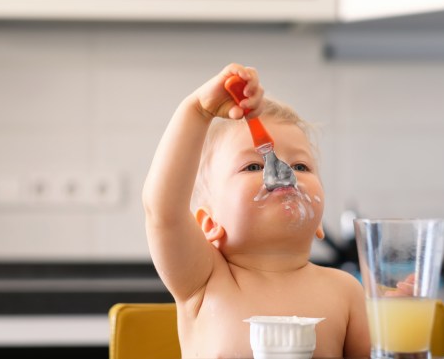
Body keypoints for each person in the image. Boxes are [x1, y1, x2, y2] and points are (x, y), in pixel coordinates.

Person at [142, 63, 370, 358]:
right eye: (253, 166)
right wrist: (198, 111)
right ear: (209, 223)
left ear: (319, 225)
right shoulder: (204, 279)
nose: (284, 172)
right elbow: (163, 211)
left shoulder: (346, 291)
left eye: (301, 166)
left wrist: (394, 333)